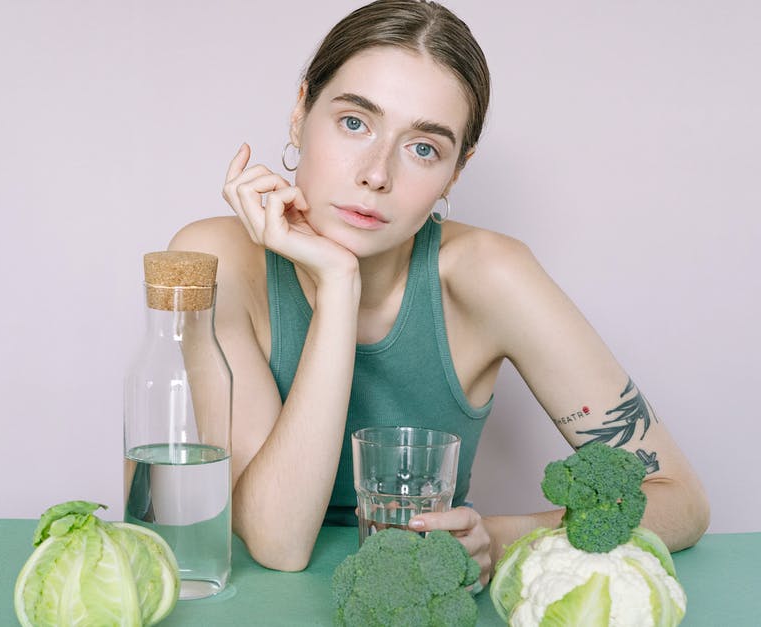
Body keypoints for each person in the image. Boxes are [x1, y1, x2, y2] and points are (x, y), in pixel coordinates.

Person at [168, 0, 710, 582]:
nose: (377, 173)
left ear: (456, 170)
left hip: (426, 597)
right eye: (355, 122)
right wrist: (339, 283)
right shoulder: (213, 262)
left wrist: (502, 538)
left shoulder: (490, 274)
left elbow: (680, 500)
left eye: (423, 147)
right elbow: (279, 541)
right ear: (301, 112)